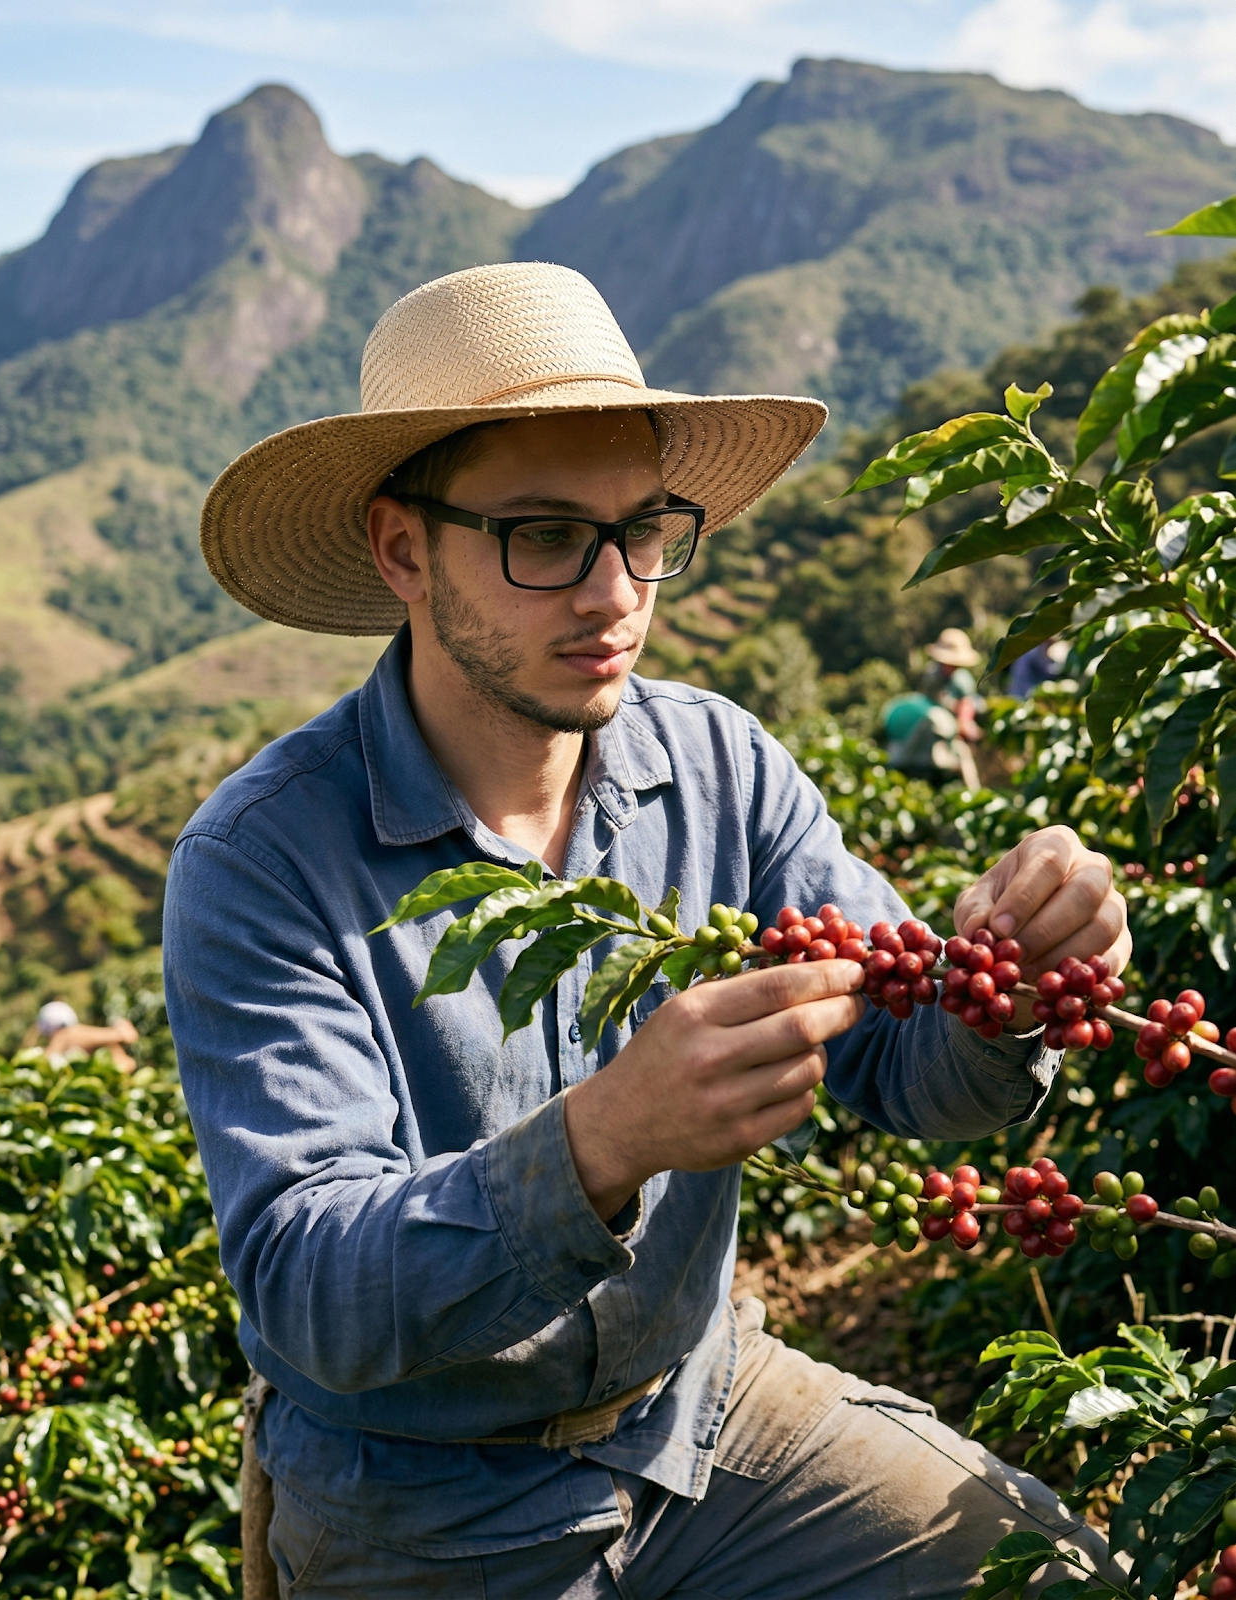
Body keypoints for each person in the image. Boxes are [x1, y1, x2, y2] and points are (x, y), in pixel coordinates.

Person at [163, 263, 1129, 1598]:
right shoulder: (263, 861)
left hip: (696, 1414)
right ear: (403, 549)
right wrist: (602, 1143)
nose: (615, 591)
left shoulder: (723, 770)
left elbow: (911, 1073)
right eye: (544, 536)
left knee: (1054, 1573)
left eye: (644, 530)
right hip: (423, 1511)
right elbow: (307, 1288)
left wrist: (1010, 985)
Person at [883, 628, 984, 788]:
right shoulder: (932, 674)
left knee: (964, 757)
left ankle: (973, 792)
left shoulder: (962, 679)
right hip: (934, 726)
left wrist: (963, 723)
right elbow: (930, 705)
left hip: (953, 727)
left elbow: (966, 708)